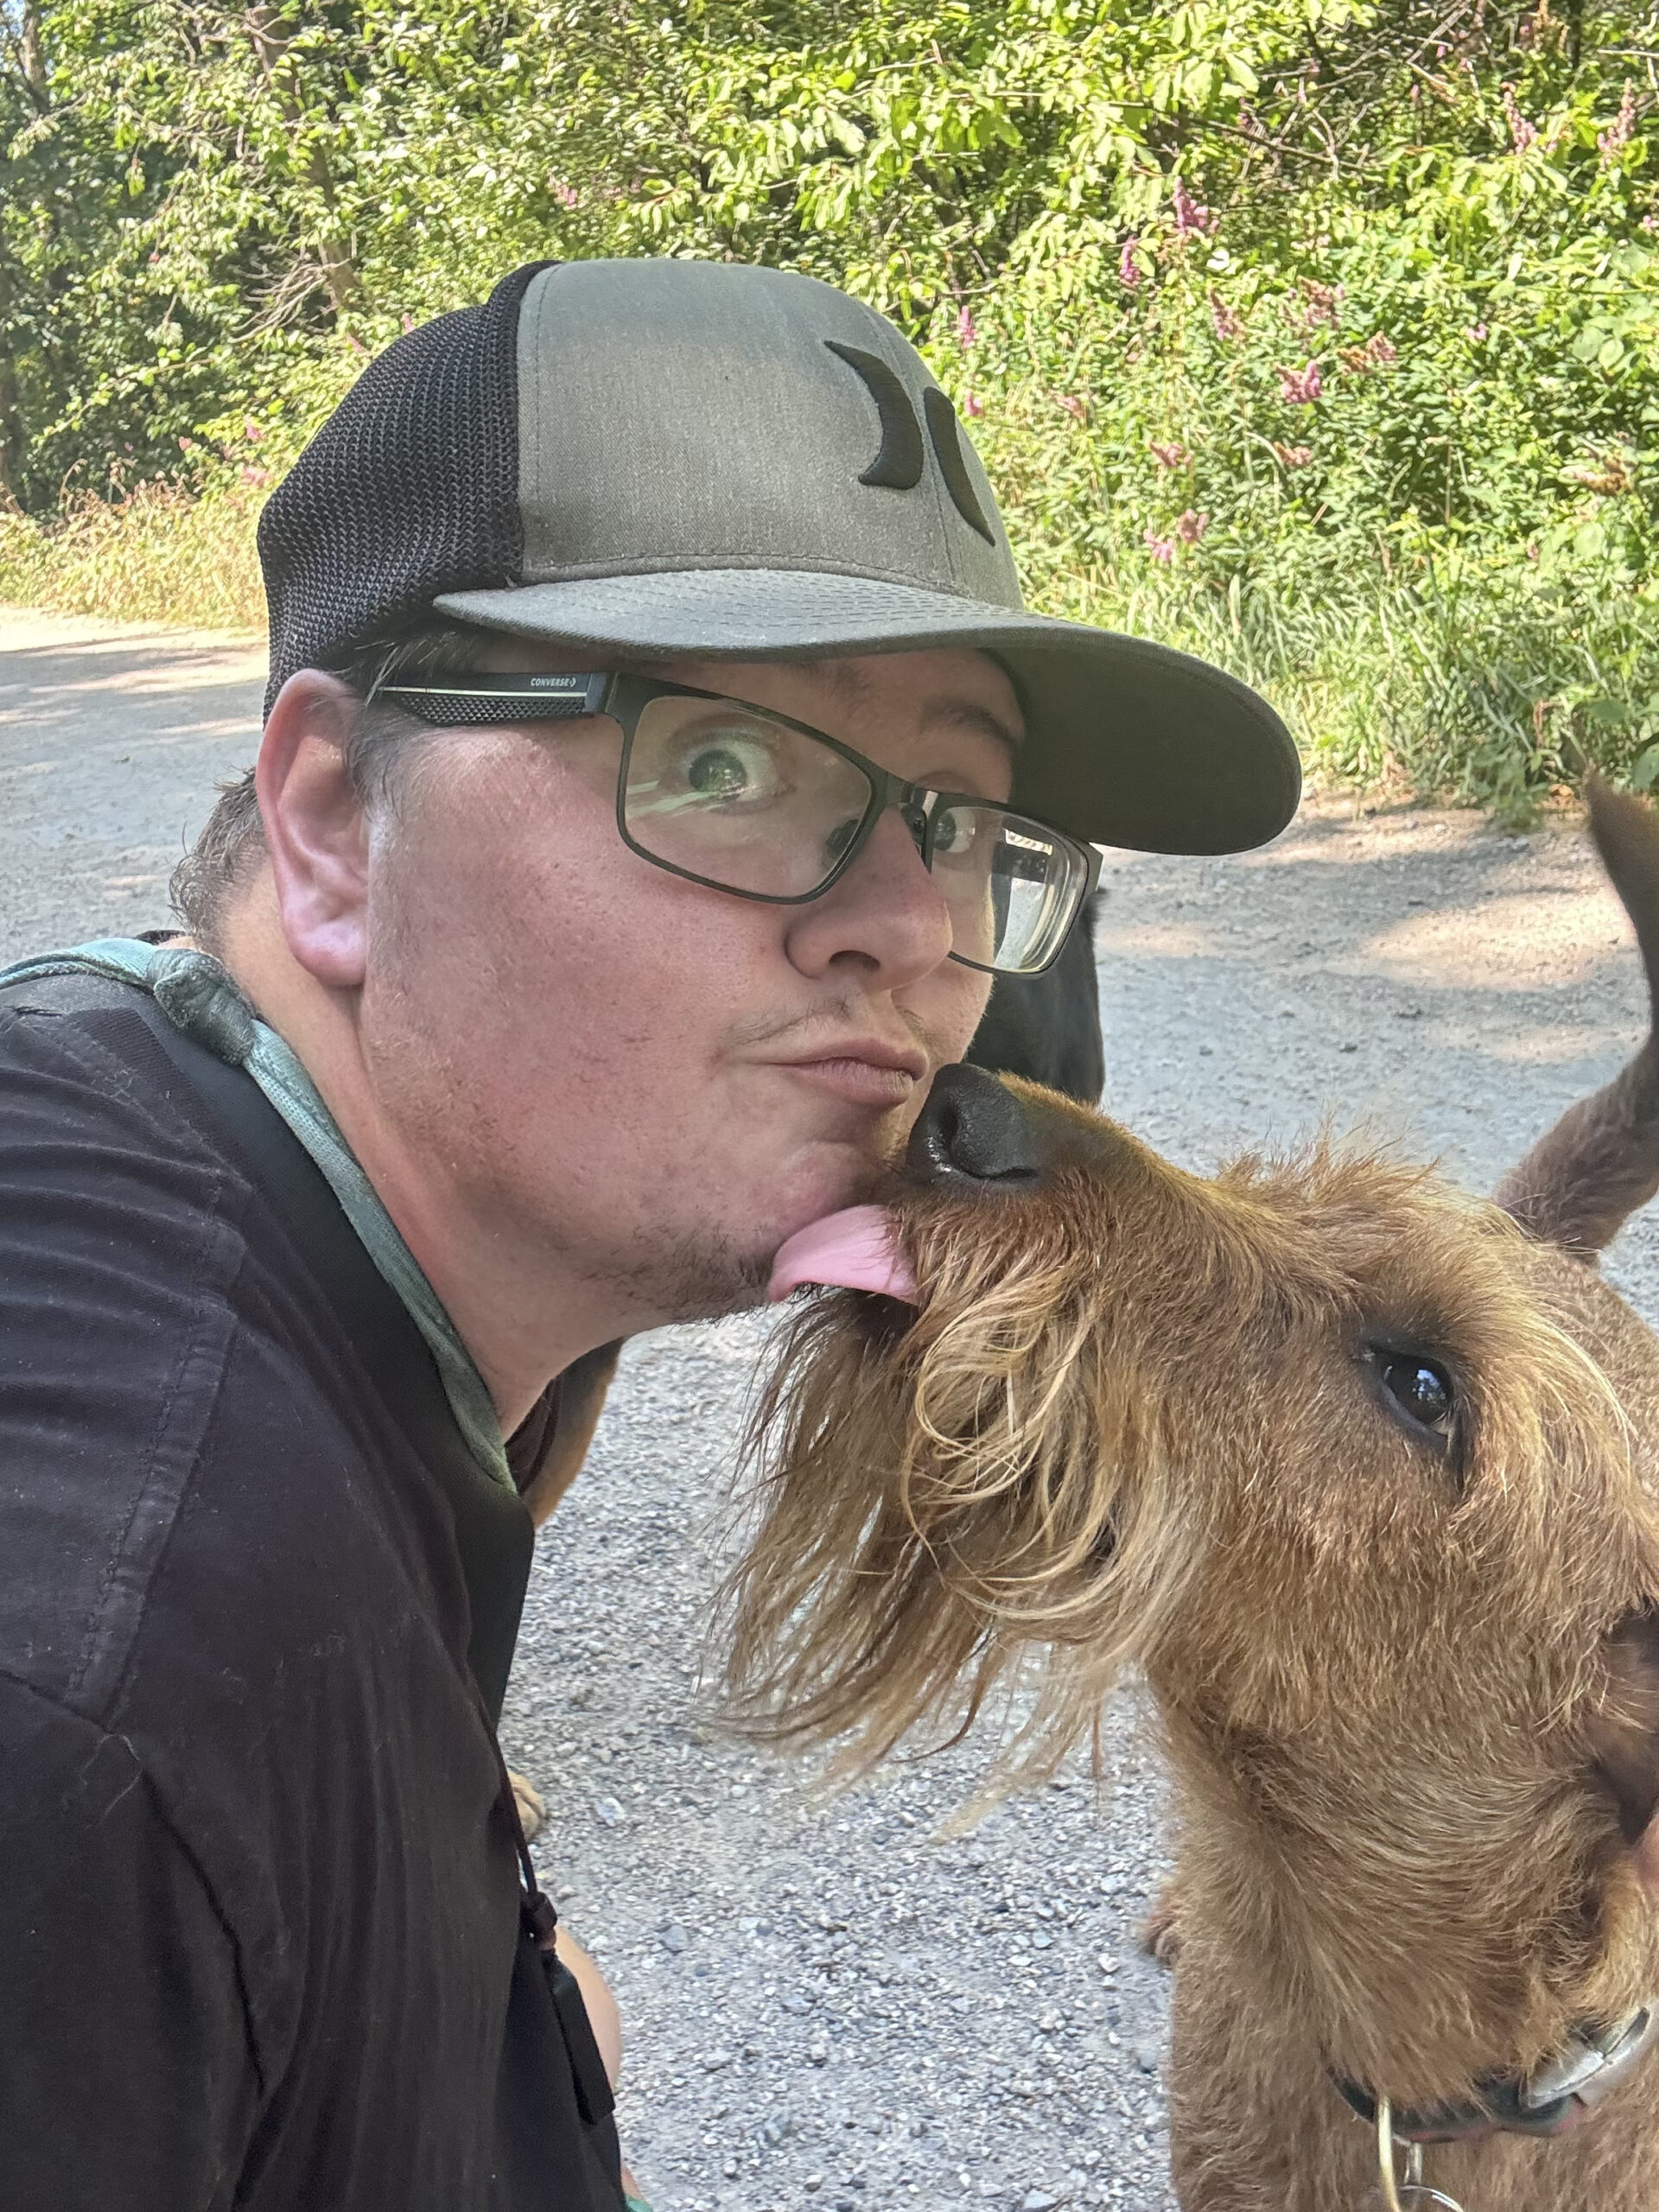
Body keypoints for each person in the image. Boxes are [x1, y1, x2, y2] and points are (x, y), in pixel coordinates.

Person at [0, 256, 1299, 2212]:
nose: (911, 927)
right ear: (337, 820)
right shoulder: (99, 1680)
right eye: (724, 763)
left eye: (957, 817)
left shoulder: (265, 1183)